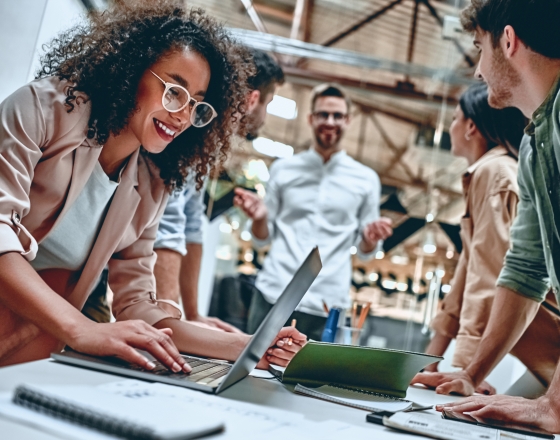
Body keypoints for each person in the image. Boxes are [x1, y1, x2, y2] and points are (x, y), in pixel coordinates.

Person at [0, 1, 305, 371]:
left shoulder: (151, 183)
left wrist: (251, 346)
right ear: (129, 70)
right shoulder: (42, 109)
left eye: (197, 105)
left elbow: (139, 305)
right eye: (174, 91)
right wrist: (82, 329)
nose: (182, 115)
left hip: (27, 350)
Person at [413, 0, 560, 432]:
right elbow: (525, 268)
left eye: (480, 48)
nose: (478, 70)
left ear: (509, 41)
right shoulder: (535, 144)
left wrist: (554, 404)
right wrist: (470, 375)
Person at [234, 83, 393, 341]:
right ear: (310, 118)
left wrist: (370, 238)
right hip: (274, 293)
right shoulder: (283, 169)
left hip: (328, 303)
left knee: (312, 380)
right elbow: (262, 237)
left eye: (338, 115)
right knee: (252, 372)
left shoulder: (366, 180)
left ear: (348, 120)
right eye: (323, 114)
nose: (330, 121)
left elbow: (366, 253)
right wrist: (261, 218)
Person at [152, 49, 285, 332]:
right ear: (252, 100)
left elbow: (191, 225)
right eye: (268, 103)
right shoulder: (192, 131)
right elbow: (169, 224)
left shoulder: (209, 144)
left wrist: (192, 315)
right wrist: (171, 323)